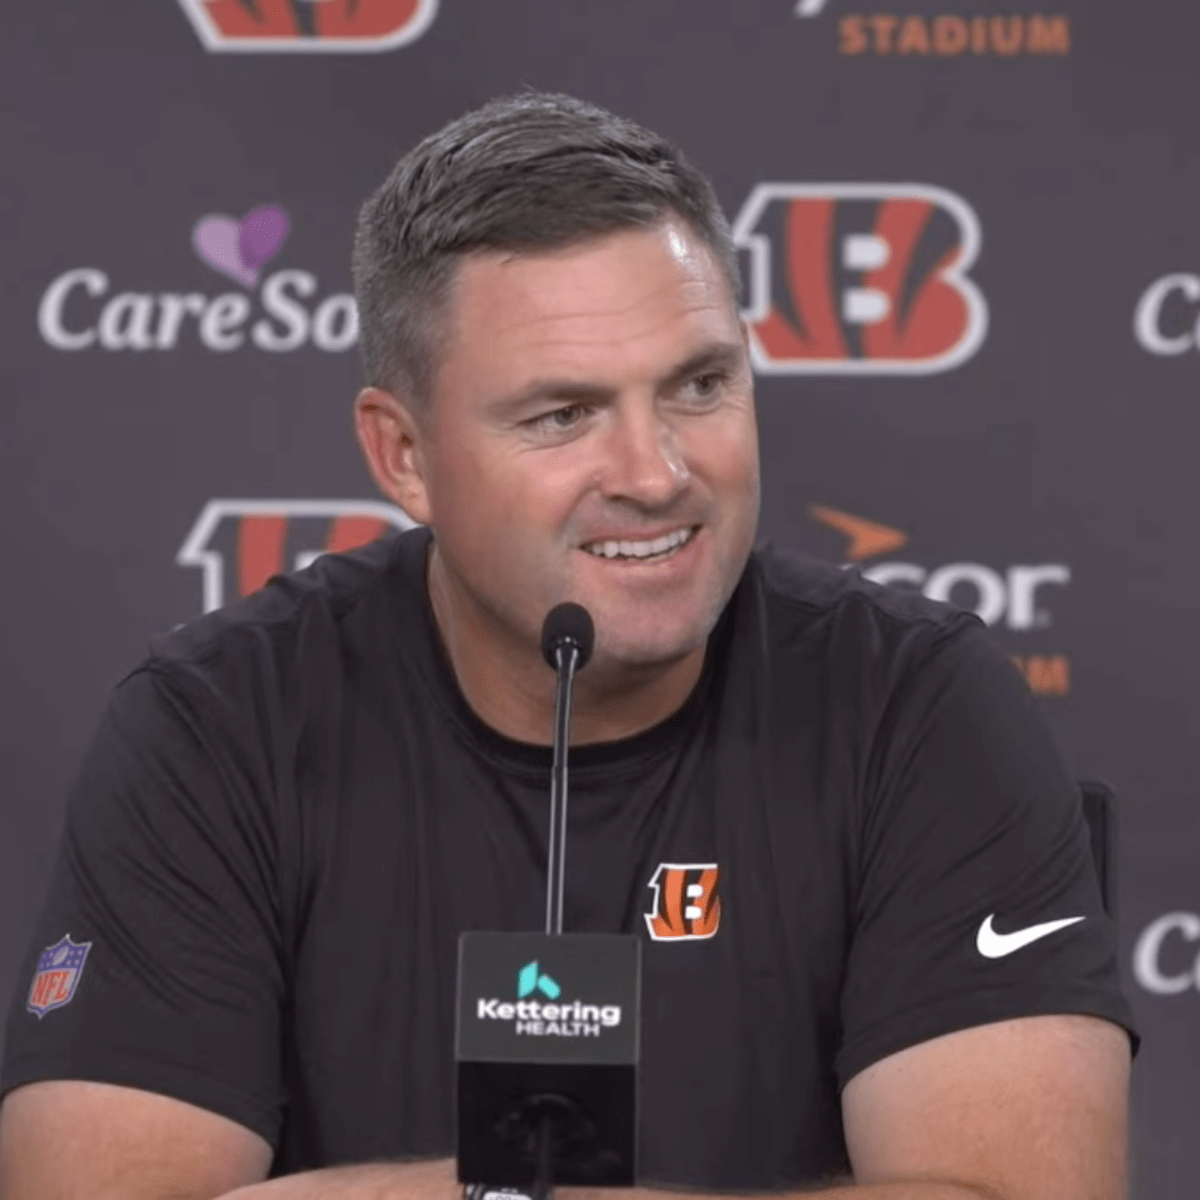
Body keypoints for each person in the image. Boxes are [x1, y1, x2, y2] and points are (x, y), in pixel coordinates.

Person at [0, 92, 1133, 1200]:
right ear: (402, 457)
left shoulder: (920, 708)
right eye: (562, 415)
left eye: (700, 384)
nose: (655, 475)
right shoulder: (215, 727)